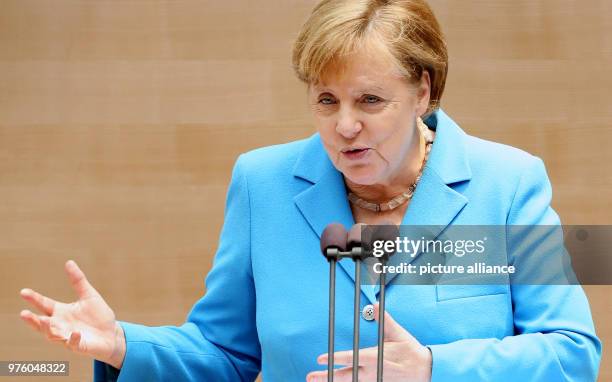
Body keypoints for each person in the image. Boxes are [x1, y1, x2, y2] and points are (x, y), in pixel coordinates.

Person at [19, 0, 601, 381]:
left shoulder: (508, 183)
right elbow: (228, 354)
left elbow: (573, 352)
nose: (345, 125)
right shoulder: (261, 184)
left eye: (370, 100)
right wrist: (122, 344)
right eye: (327, 101)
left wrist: (431, 368)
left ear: (423, 92)